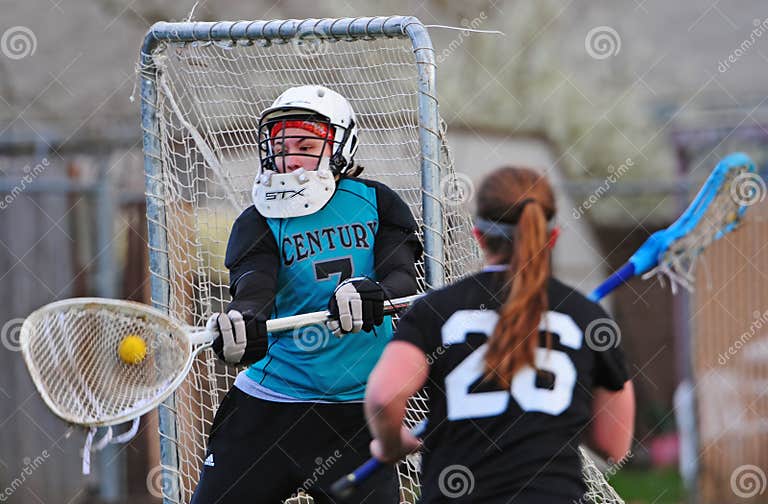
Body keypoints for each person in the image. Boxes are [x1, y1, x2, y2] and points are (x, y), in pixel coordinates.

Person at [191, 85, 422, 503]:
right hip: (271, 406)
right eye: (282, 146)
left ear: (340, 146)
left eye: (306, 144)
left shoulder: (377, 202)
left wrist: (372, 293)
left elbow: (403, 279)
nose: (291, 157)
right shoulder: (257, 220)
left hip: (358, 413)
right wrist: (242, 322)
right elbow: (253, 289)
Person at [365, 166, 635, 503]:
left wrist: (393, 444)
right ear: (551, 237)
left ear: (478, 234)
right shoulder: (585, 318)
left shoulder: (434, 310)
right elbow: (613, 445)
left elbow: (383, 397)